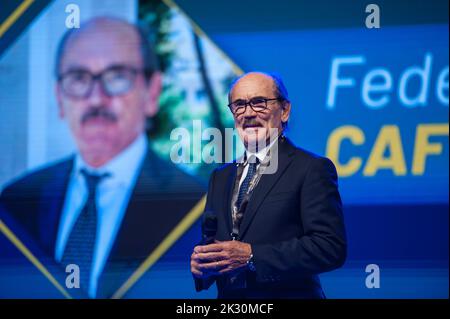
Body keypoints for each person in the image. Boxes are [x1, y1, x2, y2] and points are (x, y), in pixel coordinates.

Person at [0, 17, 204, 298]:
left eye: (117, 76)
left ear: (152, 91)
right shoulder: (14, 202)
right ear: (60, 98)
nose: (96, 98)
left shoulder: (199, 208)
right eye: (78, 78)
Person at [191, 72, 347, 298]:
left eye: (259, 103)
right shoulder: (220, 177)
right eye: (239, 105)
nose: (248, 113)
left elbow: (330, 248)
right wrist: (203, 266)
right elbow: (219, 245)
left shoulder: (311, 168)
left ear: (284, 111)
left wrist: (252, 256)